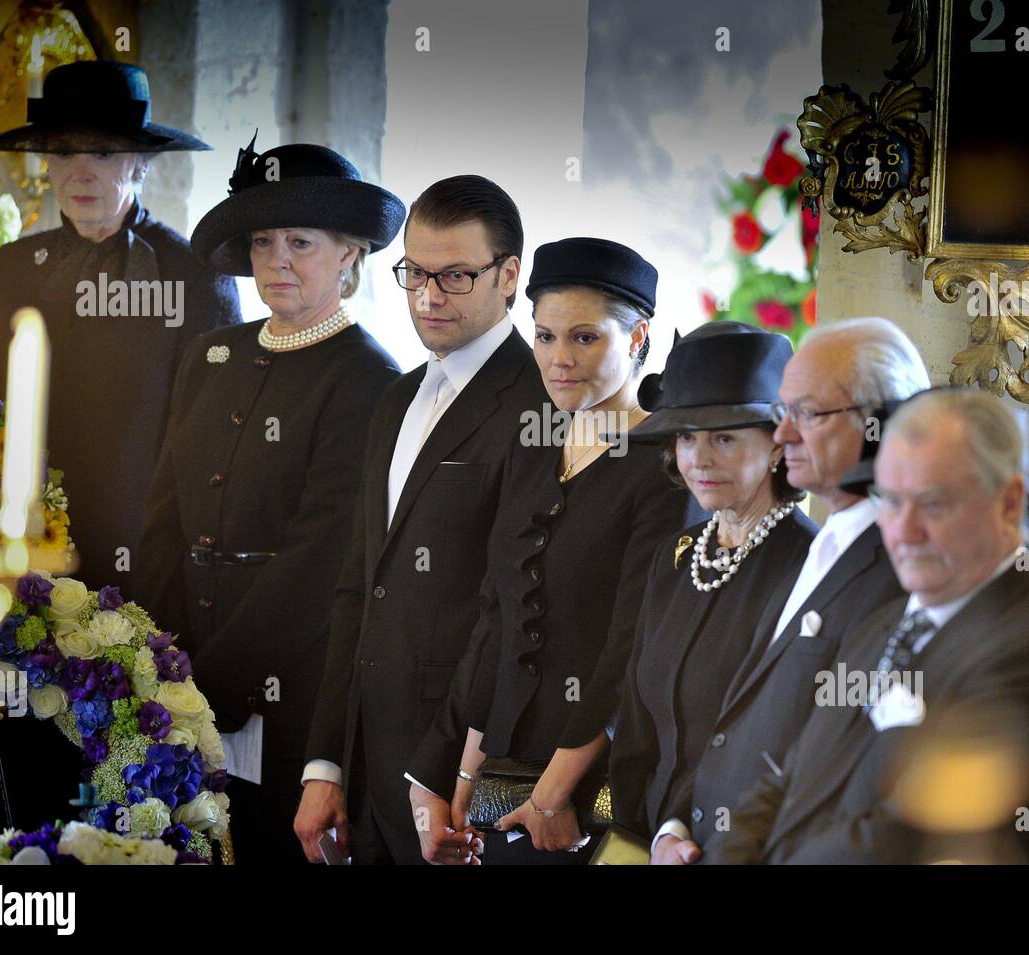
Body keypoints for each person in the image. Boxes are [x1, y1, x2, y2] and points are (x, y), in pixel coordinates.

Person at [0, 60, 241, 833]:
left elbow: (208, 442)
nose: (80, 172)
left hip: (147, 574)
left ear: (139, 160)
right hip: (31, 569)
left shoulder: (194, 274)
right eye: (63, 153)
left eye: (100, 153)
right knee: (31, 777)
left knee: (139, 782)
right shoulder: (14, 266)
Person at [136, 138, 405, 863]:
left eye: (300, 241)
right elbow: (163, 520)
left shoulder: (370, 379)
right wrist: (156, 662)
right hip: (176, 679)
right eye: (261, 240)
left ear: (349, 252)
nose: (276, 258)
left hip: (289, 694)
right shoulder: (208, 355)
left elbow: (319, 562)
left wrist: (206, 688)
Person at [707, 389, 1029, 864]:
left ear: (1008, 504)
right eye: (891, 501)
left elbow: (905, 842)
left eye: (934, 504)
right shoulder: (885, 623)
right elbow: (790, 778)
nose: (904, 530)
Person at [407, 237, 696, 865]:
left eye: (585, 338)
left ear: (638, 336)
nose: (558, 359)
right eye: (544, 337)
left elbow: (632, 646)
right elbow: (497, 621)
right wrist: (460, 782)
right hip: (503, 783)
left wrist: (554, 793)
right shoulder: (533, 444)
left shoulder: (668, 468)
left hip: (596, 793)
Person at [295, 176, 548, 865]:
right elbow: (358, 588)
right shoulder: (398, 396)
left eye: (456, 276)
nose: (428, 297)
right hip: (366, 762)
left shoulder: (539, 404)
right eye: (415, 273)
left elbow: (512, 618)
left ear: (509, 277)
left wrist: (450, 776)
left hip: (457, 785)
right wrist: (326, 764)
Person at [651, 317, 928, 864]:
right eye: (784, 413)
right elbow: (737, 730)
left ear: (881, 422)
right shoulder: (832, 547)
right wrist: (673, 826)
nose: (783, 434)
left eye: (807, 414)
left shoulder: (904, 572)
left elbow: (866, 779)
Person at [610, 322, 818, 843]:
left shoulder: (810, 566)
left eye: (724, 438)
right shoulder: (675, 557)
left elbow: (789, 740)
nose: (698, 458)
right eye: (686, 437)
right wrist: (640, 836)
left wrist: (683, 830)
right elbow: (638, 720)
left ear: (777, 445)